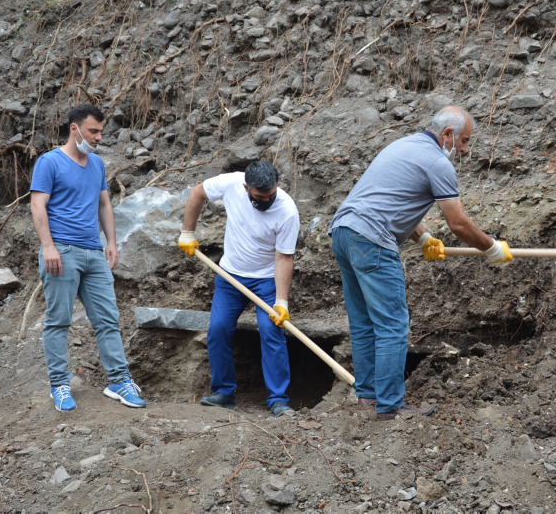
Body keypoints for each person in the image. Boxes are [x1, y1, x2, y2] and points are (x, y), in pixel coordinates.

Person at [328, 106, 513, 421]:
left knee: (364, 323)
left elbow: (391, 200)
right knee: (392, 326)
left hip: (343, 233)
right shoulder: (437, 162)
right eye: (465, 141)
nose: (466, 150)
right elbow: (457, 223)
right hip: (372, 240)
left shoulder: (402, 146)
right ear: (447, 134)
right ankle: (390, 407)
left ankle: (369, 398)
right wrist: (491, 246)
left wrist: (424, 237)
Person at [30, 104, 146, 412]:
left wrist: (111, 242)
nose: (98, 137)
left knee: (108, 319)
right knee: (58, 321)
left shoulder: (97, 165)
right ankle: (60, 385)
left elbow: (104, 204)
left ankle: (119, 381)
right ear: (74, 128)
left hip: (93, 253)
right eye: (93, 131)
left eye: (101, 132)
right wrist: (48, 246)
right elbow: (37, 206)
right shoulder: (49, 162)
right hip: (61, 252)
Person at [178, 161, 300, 418]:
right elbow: (197, 192)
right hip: (230, 275)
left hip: (266, 279)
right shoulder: (231, 183)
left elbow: (284, 258)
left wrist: (281, 302)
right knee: (218, 328)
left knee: (271, 331)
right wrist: (187, 232)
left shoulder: (287, 211)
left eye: (271, 195)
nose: (266, 200)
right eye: (259, 196)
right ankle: (224, 392)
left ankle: (278, 399)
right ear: (246, 187)